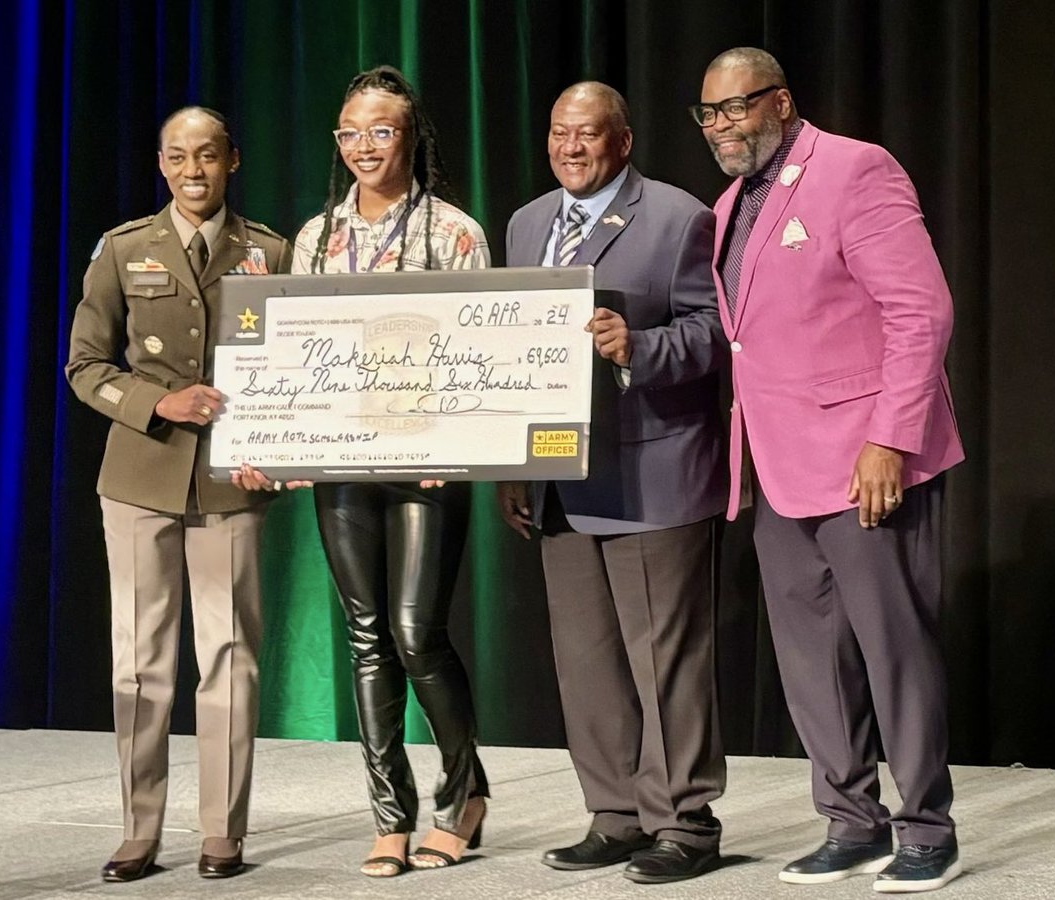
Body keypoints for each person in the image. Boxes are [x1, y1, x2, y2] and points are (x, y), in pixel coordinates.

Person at [695, 48, 965, 893]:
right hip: (775, 468)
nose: (721, 127)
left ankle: (927, 830)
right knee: (811, 659)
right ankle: (851, 821)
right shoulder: (731, 203)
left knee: (894, 649)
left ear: (780, 100)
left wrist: (890, 439)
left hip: (865, 465)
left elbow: (921, 311)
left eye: (735, 108)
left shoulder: (855, 169)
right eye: (707, 114)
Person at [235, 65, 490, 878]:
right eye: (350, 133)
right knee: (366, 637)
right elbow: (297, 352)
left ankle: (464, 795)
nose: (364, 147)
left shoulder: (454, 233)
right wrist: (285, 440)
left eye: (381, 130)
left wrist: (462, 445)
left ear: (412, 136)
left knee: (417, 634)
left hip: (428, 466)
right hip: (343, 465)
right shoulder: (316, 238)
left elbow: (483, 350)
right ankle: (390, 814)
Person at [497, 81, 728, 885]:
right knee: (586, 659)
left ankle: (686, 823)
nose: (570, 147)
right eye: (559, 133)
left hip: (654, 474)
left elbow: (714, 334)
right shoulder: (527, 224)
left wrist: (639, 347)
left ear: (621, 142)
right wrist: (514, 469)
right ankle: (616, 814)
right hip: (561, 479)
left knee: (664, 657)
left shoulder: (677, 217)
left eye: (587, 134)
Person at [65, 106, 291, 882]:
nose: (192, 170)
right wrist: (157, 403)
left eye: (207, 155)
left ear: (234, 159)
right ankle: (139, 828)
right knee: (140, 662)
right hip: (140, 476)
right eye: (176, 157)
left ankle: (222, 831)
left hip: (231, 479)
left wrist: (279, 447)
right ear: (160, 165)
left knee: (230, 657)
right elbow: (85, 365)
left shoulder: (269, 251)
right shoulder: (124, 250)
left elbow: (294, 371)